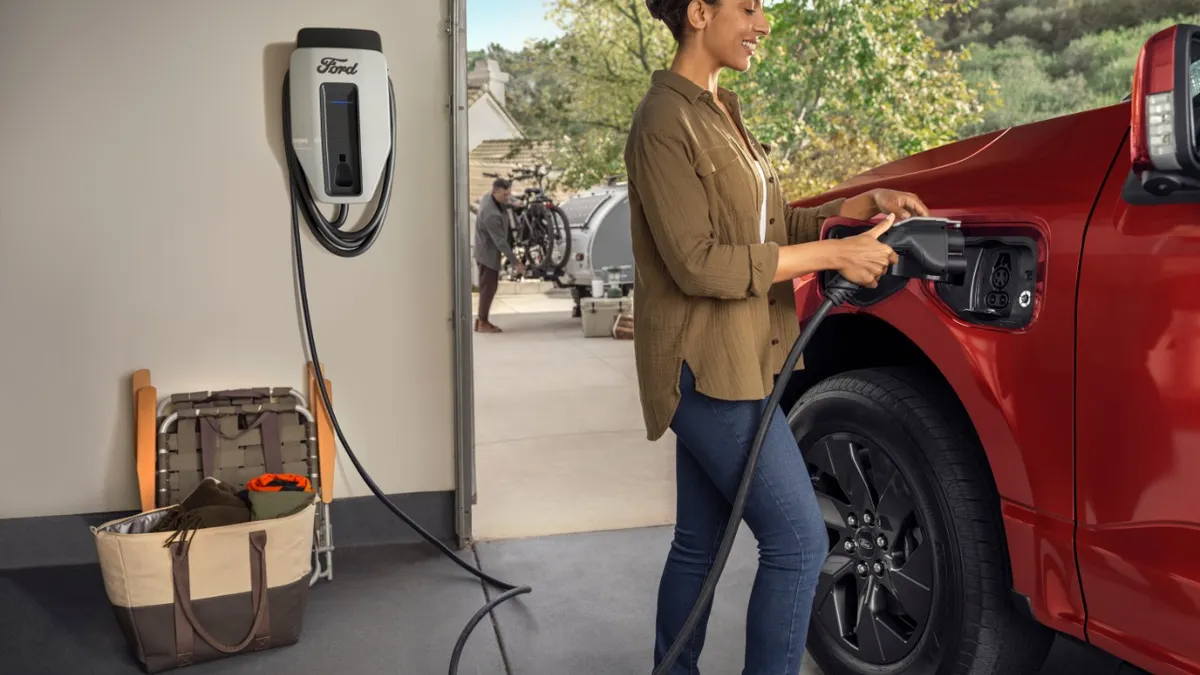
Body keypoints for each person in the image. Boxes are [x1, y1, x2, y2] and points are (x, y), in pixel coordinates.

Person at [627, 1, 933, 673]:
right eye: (748, 7)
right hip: (706, 368)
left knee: (697, 546)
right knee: (797, 541)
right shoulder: (662, 121)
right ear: (699, 13)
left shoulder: (722, 113)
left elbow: (768, 233)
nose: (763, 24)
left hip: (747, 359)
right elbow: (699, 262)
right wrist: (833, 259)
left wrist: (854, 211)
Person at [473, 177, 525, 333]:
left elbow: (508, 200)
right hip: (487, 254)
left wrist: (513, 202)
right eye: (504, 195)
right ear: (495, 192)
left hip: (485, 250)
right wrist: (516, 262)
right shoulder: (491, 215)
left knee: (487, 287)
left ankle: (480, 321)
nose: (507, 197)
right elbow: (501, 242)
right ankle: (483, 322)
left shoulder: (489, 197)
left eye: (508, 194)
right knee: (489, 288)